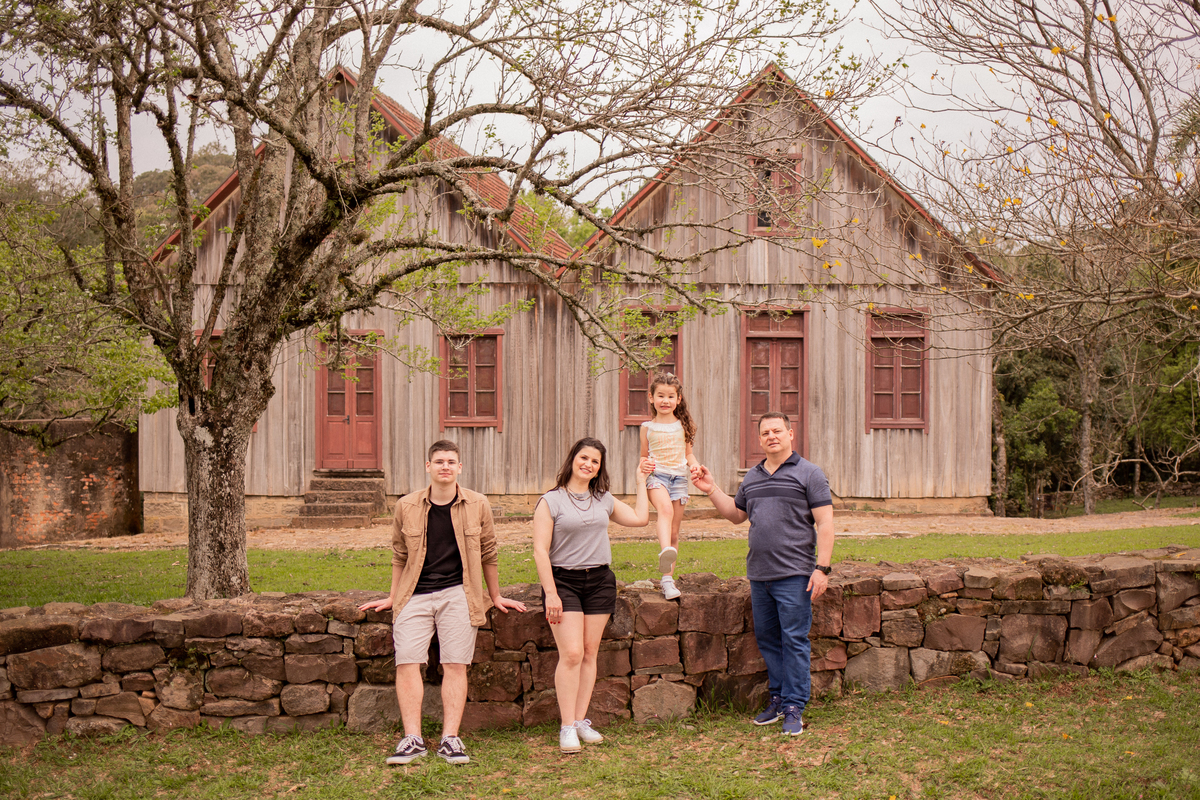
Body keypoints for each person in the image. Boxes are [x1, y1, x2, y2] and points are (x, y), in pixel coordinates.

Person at [358, 440, 527, 766]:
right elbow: (399, 555)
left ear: (459, 467)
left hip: (459, 594)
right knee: (407, 661)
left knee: (454, 664)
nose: (445, 466)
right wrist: (394, 597)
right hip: (415, 594)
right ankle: (412, 740)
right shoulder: (406, 506)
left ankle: (450, 739)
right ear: (428, 467)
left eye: (451, 461)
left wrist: (495, 596)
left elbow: (489, 553)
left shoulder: (478, 504)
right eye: (439, 461)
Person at [691, 412, 834, 736]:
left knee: (794, 640)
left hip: (796, 574)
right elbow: (737, 515)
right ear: (759, 439)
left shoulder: (809, 473)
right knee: (769, 641)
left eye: (777, 430)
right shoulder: (752, 477)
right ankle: (779, 699)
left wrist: (821, 569)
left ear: (790, 434)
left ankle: (795, 706)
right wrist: (710, 488)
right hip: (759, 575)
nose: (772, 436)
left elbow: (825, 523)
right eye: (765, 432)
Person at [533, 437, 654, 753]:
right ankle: (565, 727)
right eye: (583, 457)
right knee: (571, 654)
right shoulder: (551, 501)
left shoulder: (603, 499)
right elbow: (539, 551)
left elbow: (641, 520)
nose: (588, 464)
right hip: (564, 583)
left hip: (600, 581)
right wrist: (551, 594)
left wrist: (641, 481)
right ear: (573, 458)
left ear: (600, 468)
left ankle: (579, 722)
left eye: (595, 461)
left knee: (588, 652)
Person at [639, 372, 700, 600]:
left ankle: (667, 581)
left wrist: (695, 467)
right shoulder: (647, 428)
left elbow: (689, 455)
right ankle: (665, 551)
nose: (665, 400)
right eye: (660, 396)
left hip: (679, 480)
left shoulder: (683, 426)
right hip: (657, 477)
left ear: (678, 399)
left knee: (674, 532)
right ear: (651, 398)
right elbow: (643, 457)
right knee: (664, 510)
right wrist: (643, 469)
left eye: (670, 396)